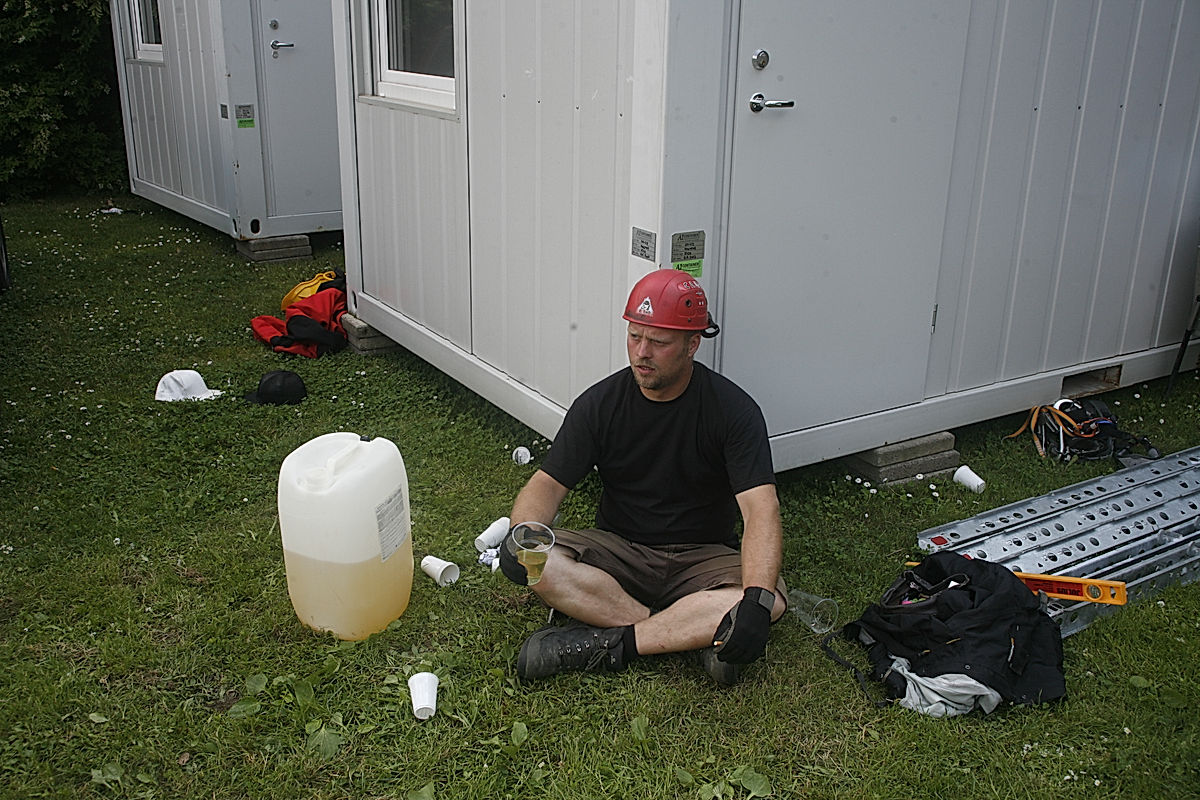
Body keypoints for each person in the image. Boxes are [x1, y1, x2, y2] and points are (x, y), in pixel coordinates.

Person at [499, 269, 787, 686]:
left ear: (692, 344)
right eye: (635, 336)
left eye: (659, 342)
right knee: (539, 563)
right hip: (619, 550)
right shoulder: (600, 404)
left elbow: (761, 509)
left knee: (769, 600)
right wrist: (522, 532)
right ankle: (686, 635)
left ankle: (609, 643)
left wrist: (756, 598)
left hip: (702, 555)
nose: (642, 352)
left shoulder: (734, 411)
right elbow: (548, 482)